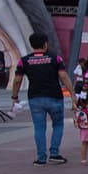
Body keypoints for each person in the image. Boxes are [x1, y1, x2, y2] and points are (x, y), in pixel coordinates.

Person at [11, 33, 74, 166]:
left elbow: (17, 80)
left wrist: (15, 97)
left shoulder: (24, 61)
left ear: (31, 44)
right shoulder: (55, 59)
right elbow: (63, 76)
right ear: (46, 44)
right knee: (58, 125)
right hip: (55, 97)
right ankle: (54, 154)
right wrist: (72, 94)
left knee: (39, 128)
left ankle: (41, 158)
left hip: (35, 98)